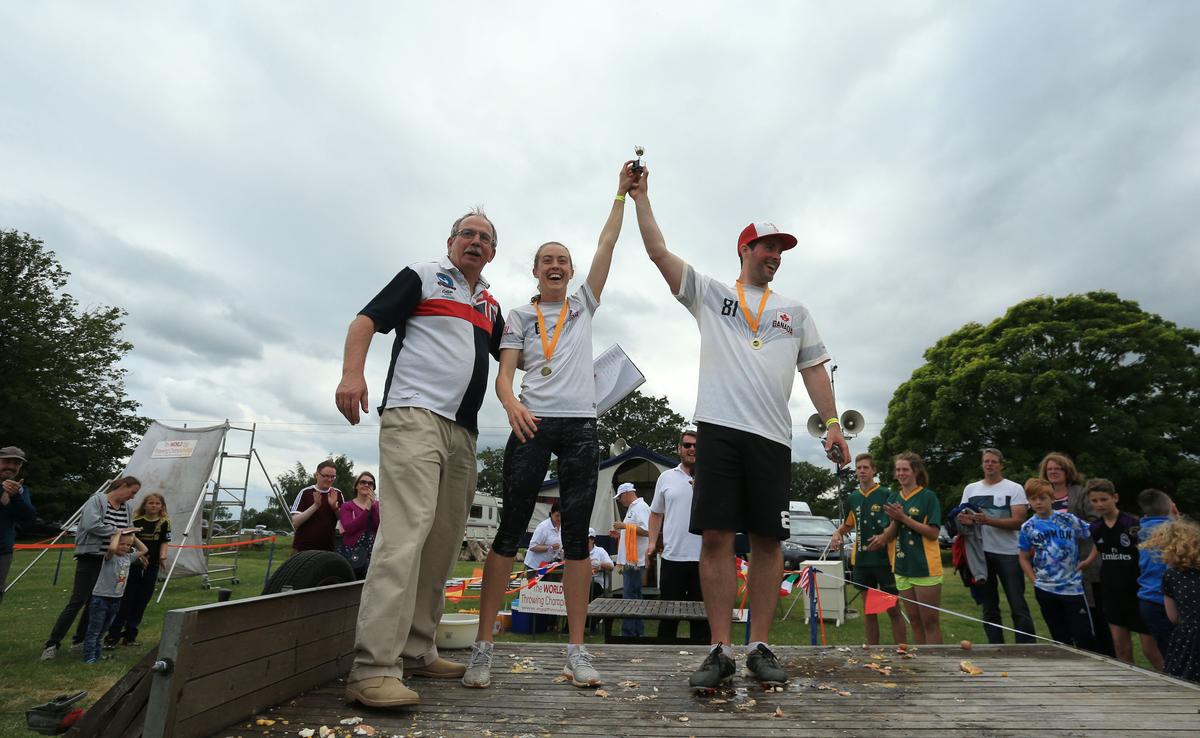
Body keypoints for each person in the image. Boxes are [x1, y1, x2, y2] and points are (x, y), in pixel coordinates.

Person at [631, 166, 849, 688]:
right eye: (768, 246)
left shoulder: (794, 312)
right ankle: (720, 648)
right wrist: (640, 198)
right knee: (717, 538)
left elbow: (814, 370)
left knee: (769, 541)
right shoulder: (710, 294)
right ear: (745, 249)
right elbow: (658, 252)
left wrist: (833, 425)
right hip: (720, 430)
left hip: (771, 437)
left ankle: (760, 646)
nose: (776, 255)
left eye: (781, 249)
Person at [465, 170, 631, 690]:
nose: (555, 266)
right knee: (509, 531)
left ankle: (576, 651)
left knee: (578, 538)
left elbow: (608, 243)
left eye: (563, 260)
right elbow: (504, 374)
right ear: (535, 271)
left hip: (580, 425)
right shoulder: (518, 315)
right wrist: (511, 403)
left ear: (572, 271)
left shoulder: (583, 306)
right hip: (532, 422)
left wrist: (622, 193)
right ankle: (483, 647)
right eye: (547, 260)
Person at [335, 208, 504, 708]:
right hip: (415, 413)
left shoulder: (490, 304)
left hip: (464, 430)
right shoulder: (424, 275)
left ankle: (415, 649)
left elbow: (520, 356)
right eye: (467, 233)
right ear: (450, 242)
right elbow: (365, 320)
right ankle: (372, 668)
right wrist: (352, 374)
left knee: (443, 542)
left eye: (485, 238)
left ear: (493, 253)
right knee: (405, 535)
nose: (475, 241)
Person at [41, 476, 139, 661]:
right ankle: (52, 644)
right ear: (122, 486)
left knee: (95, 602)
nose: (132, 497)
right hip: (90, 557)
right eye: (132, 492)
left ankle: (80, 641)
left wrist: (131, 542)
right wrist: (118, 531)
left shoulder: (127, 508)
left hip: (110, 560)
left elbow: (127, 531)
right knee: (78, 600)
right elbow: (91, 525)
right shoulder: (97, 500)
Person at [1079, 479, 1162, 668]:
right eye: (1094, 500)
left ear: (1115, 498)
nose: (1100, 504)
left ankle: (1173, 682)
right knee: (1121, 648)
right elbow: (1100, 546)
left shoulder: (1133, 525)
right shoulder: (1095, 527)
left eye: (1104, 499)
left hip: (1137, 592)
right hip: (1111, 592)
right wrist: (1088, 561)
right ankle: (1131, 683)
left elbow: (1149, 551)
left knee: (1150, 651)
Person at [955, 448, 1034, 644]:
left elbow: (1018, 522)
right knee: (989, 606)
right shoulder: (971, 489)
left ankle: (1025, 647)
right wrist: (964, 520)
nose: (989, 464)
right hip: (980, 554)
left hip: (1009, 552)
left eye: (994, 461)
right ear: (982, 464)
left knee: (1017, 604)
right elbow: (961, 515)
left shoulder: (1014, 488)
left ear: (1001, 465)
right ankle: (995, 647)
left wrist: (988, 520)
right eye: (986, 461)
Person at [1039, 451, 1112, 655]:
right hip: (1053, 567)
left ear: (1067, 471)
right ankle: (1069, 652)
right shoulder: (1042, 495)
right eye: (1049, 469)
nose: (1053, 472)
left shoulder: (1080, 493)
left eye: (1058, 468)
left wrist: (1069, 529)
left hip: (1083, 560)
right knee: (1060, 615)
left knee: (1093, 612)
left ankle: (1103, 653)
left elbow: (1095, 522)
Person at [831, 453, 905, 646]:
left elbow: (897, 522)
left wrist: (884, 537)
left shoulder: (886, 494)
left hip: (884, 561)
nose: (862, 471)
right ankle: (873, 652)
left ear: (874, 470)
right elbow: (848, 524)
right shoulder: (854, 497)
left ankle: (902, 651)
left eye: (866, 467)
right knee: (870, 611)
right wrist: (837, 533)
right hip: (862, 562)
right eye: (859, 468)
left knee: (893, 609)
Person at [871, 452, 943, 645]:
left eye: (905, 469)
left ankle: (936, 660)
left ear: (915, 471)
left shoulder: (928, 497)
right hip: (902, 567)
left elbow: (933, 533)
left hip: (925, 567)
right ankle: (921, 659)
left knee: (929, 622)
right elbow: (888, 535)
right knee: (915, 621)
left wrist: (904, 518)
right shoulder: (894, 497)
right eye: (898, 470)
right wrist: (895, 522)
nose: (901, 473)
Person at [1018, 478, 1095, 651]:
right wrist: (1033, 580)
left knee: (1084, 636)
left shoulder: (1068, 519)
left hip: (1072, 587)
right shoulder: (1028, 527)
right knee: (1060, 637)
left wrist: (1089, 560)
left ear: (1052, 498)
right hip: (1045, 588)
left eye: (1042, 498)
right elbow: (1023, 557)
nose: (1038, 502)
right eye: (1033, 499)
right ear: (1029, 501)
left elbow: (1096, 534)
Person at [647, 429, 709, 643]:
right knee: (668, 617)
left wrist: (703, 490)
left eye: (696, 446)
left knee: (702, 620)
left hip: (705, 559)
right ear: (679, 449)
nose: (692, 449)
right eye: (687, 445)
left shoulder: (712, 477)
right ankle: (663, 657)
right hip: (673, 557)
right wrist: (652, 542)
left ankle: (704, 658)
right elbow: (656, 513)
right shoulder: (666, 477)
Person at [106, 492, 171, 646]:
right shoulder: (136, 520)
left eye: (157, 503)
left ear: (161, 506)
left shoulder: (164, 522)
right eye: (151, 503)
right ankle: (113, 634)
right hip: (133, 563)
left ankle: (130, 634)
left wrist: (162, 557)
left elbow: (165, 541)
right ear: (145, 505)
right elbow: (128, 541)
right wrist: (137, 555)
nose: (154, 506)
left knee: (143, 599)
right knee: (126, 598)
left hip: (152, 565)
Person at [1142, 518, 1200, 683]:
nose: (1163, 557)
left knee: (1185, 682)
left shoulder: (1172, 576)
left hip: (1190, 641)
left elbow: (1173, 617)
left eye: (1164, 551)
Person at [83, 528, 146, 664]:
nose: (125, 547)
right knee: (94, 630)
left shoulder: (128, 557)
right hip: (101, 598)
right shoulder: (109, 557)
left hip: (116, 599)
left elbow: (144, 550)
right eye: (122, 544)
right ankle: (89, 657)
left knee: (103, 630)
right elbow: (111, 548)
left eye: (128, 545)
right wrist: (118, 534)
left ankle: (97, 654)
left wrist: (133, 537)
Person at [1137, 488, 1179, 658]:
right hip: (1173, 601)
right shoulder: (1176, 532)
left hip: (1149, 600)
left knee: (1168, 653)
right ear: (1172, 507)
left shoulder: (1142, 531)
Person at [612, 482, 651, 637]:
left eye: (620, 497)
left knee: (630, 597)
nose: (620, 501)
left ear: (627, 494)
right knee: (634, 596)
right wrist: (621, 533)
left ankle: (629, 633)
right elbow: (634, 531)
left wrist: (624, 527)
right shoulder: (633, 508)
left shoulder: (640, 507)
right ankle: (636, 632)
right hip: (630, 559)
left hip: (635, 561)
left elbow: (647, 531)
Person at [1, 446, 37, 605]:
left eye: (16, 463)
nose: (11, 466)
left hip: (3, 551)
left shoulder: (20, 490)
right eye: (6, 461)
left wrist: (15, 497)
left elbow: (29, 518)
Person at [290, 460, 343, 553]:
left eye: (332, 477)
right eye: (326, 476)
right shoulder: (305, 492)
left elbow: (344, 521)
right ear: (317, 475)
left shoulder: (337, 494)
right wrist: (315, 506)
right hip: (303, 549)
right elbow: (295, 522)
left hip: (328, 549)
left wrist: (334, 508)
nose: (329, 480)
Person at [337, 471, 380, 580]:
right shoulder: (347, 506)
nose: (366, 485)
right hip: (352, 551)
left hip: (373, 552)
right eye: (362, 482)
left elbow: (379, 527)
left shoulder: (378, 506)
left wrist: (373, 507)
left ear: (373, 488)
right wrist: (367, 509)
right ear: (356, 486)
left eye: (370, 483)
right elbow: (349, 528)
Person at [522, 503, 564, 571]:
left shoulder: (562, 527)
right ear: (551, 514)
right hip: (535, 566)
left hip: (548, 565)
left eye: (562, 516)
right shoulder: (543, 527)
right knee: (538, 579)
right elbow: (532, 547)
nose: (559, 518)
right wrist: (550, 547)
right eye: (557, 515)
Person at [587, 528, 614, 601]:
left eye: (588, 538)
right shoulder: (579, 552)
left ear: (593, 540)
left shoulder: (600, 551)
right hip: (583, 580)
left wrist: (599, 564)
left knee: (588, 587)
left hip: (597, 582)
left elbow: (611, 566)